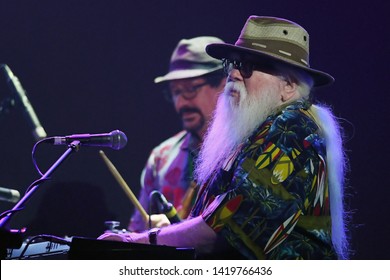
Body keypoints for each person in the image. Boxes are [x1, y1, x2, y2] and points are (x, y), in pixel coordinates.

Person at [100, 15, 350, 260]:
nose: (234, 75)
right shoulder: (256, 131)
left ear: (289, 86)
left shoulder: (292, 130)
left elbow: (228, 230)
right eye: (233, 64)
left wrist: (141, 241)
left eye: (248, 66)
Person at [128, 36, 227, 232]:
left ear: (224, 85)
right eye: (175, 92)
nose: (181, 104)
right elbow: (136, 231)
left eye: (190, 90)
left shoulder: (248, 149)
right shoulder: (161, 157)